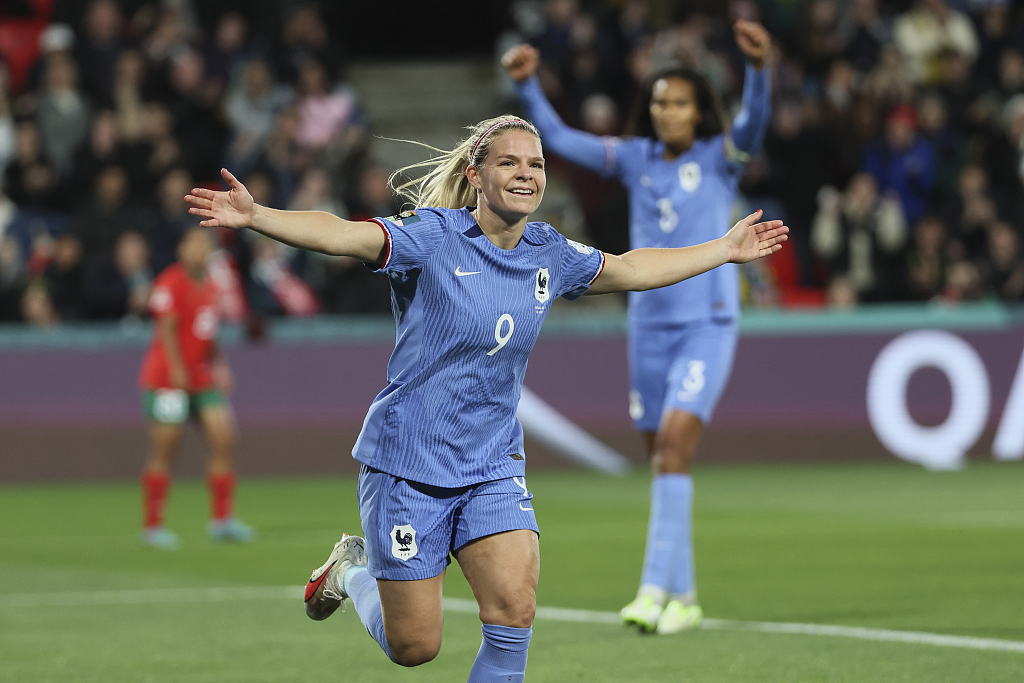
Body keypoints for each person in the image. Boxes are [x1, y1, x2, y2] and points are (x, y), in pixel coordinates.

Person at [184, 116, 786, 680]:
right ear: (476, 175)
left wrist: (723, 251)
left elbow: (628, 269)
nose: (527, 173)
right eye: (509, 163)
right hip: (408, 463)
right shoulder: (431, 237)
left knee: (514, 610)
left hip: (493, 463)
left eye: (537, 164)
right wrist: (258, 215)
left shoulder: (548, 252)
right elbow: (343, 235)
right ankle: (352, 573)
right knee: (415, 647)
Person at [503, 19, 773, 635]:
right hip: (648, 326)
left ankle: (652, 590)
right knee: (662, 461)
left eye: (678, 103)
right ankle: (687, 597)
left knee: (676, 446)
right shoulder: (634, 158)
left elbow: (753, 125)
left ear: (700, 110)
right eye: (658, 103)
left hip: (706, 323)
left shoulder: (721, 158)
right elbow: (561, 140)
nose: (666, 112)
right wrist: (529, 88)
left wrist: (758, 70)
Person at [138, 225, 255, 549]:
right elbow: (167, 329)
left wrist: (220, 365)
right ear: (182, 249)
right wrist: (175, 369)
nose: (200, 250)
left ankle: (222, 520)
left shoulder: (211, 286)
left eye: (205, 244)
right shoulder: (169, 282)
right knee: (166, 449)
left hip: (202, 379)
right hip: (167, 380)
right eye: (194, 243)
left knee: (225, 437)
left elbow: (209, 332)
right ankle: (153, 525)